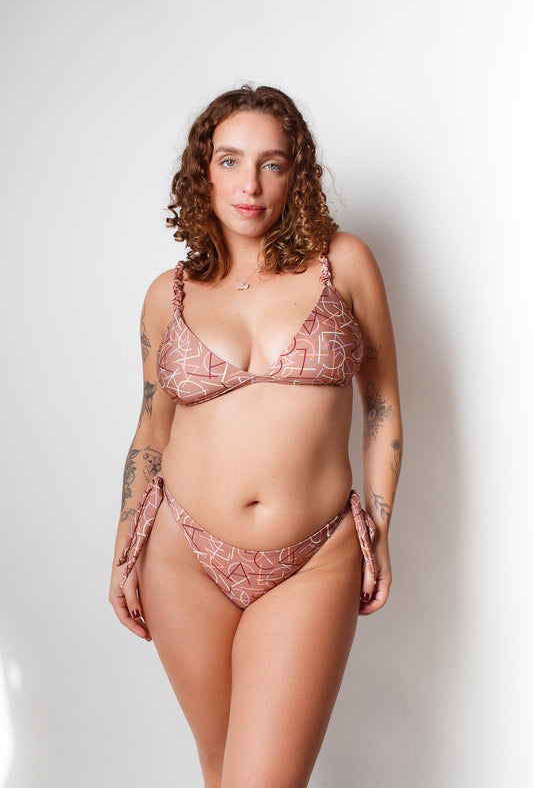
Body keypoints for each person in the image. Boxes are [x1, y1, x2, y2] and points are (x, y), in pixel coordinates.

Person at [109, 85, 402, 788]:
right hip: (182, 554)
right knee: (220, 770)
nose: (250, 185)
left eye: (272, 163)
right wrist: (123, 547)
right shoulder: (168, 295)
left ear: (295, 174)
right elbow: (152, 424)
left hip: (314, 557)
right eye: (230, 161)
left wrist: (379, 529)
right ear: (203, 174)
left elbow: (383, 403)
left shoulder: (343, 263)